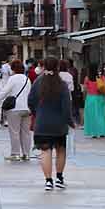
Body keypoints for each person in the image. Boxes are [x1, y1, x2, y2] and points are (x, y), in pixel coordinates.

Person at [31, 57, 73, 190]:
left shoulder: (38, 82)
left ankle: (48, 181)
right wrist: (70, 121)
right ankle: (59, 178)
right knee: (61, 150)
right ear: (57, 67)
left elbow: (31, 101)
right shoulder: (62, 84)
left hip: (42, 123)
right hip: (59, 124)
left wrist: (37, 113)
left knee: (45, 151)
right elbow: (67, 106)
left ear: (43, 66)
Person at [0, 61, 33, 161]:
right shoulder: (27, 79)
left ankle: (15, 154)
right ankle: (26, 154)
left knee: (14, 132)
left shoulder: (13, 78)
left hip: (15, 109)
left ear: (13, 69)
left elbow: (5, 91)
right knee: (26, 133)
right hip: (27, 108)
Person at [83, 67, 105, 137]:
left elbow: (85, 89)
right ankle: (102, 132)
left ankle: (94, 133)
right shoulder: (101, 77)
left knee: (92, 116)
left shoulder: (87, 78)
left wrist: (84, 98)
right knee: (102, 115)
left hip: (90, 98)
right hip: (101, 98)